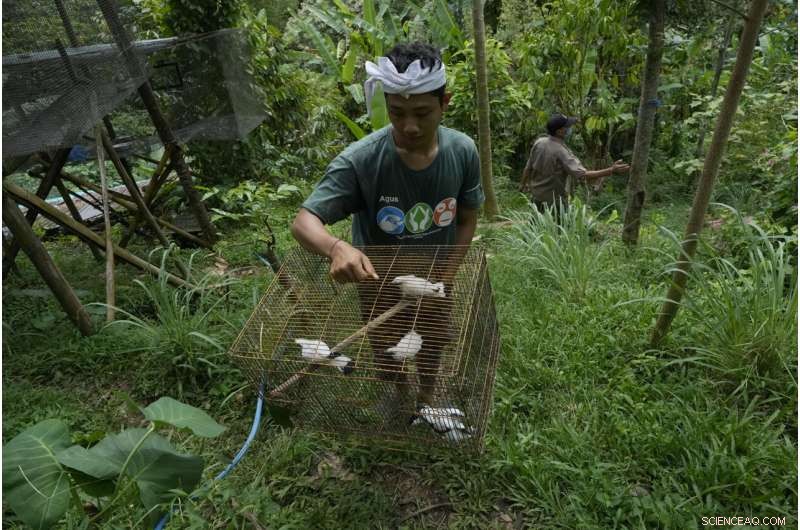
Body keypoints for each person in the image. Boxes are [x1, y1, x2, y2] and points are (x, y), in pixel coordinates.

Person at [290, 42, 484, 415]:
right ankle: (397, 392)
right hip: (379, 279)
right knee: (386, 342)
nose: (409, 126)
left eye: (422, 113)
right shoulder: (362, 160)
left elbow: (467, 218)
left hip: (435, 273)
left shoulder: (463, 151)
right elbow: (303, 221)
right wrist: (336, 247)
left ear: (445, 103)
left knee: (432, 340)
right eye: (397, 113)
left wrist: (445, 277)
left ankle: (428, 393)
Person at [519, 113, 630, 216]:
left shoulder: (539, 142)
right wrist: (611, 170)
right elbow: (583, 174)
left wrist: (523, 185)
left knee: (536, 230)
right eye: (567, 127)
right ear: (559, 131)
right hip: (554, 202)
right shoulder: (561, 151)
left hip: (536, 197)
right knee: (557, 232)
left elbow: (528, 168)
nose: (569, 129)